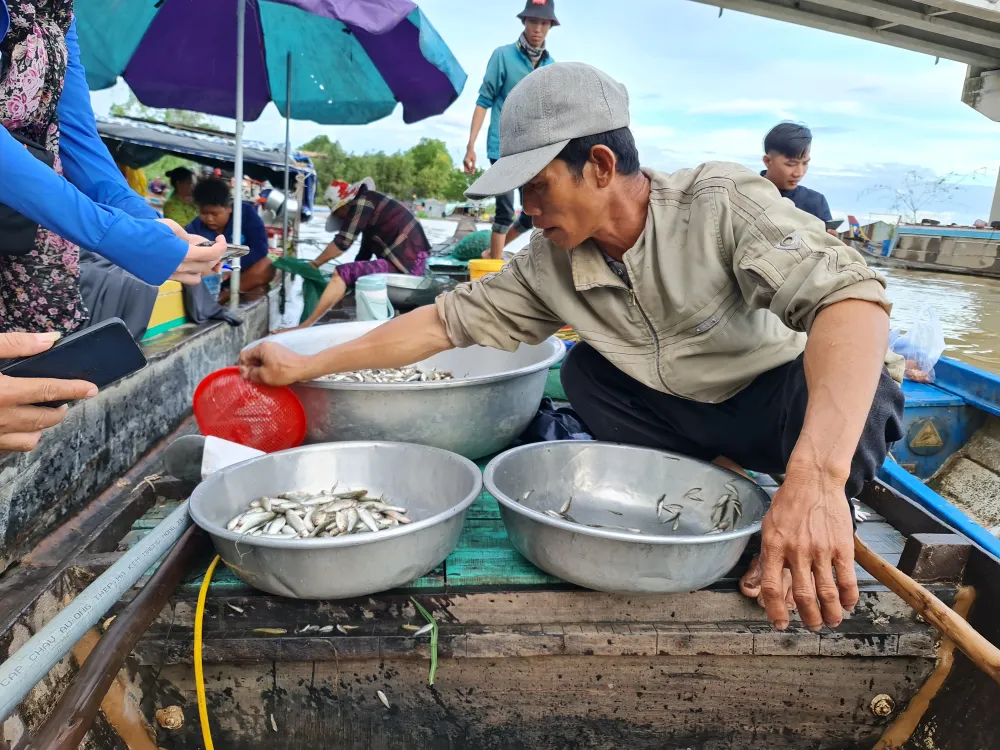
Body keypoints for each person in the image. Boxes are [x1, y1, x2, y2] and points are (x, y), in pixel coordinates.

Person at [242, 63, 906, 633]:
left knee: (866, 385)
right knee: (587, 373)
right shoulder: (547, 263)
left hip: (784, 408)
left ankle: (820, 508)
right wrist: (306, 362)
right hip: (694, 421)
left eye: (537, 187)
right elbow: (441, 325)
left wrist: (814, 481)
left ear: (599, 165)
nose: (527, 208)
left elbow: (851, 302)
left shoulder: (721, 203)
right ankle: (723, 499)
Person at [0, 0, 224, 337]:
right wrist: (117, 235)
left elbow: (77, 136)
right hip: (30, 199)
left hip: (26, 225)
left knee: (41, 355)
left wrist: (146, 222)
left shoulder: (57, 10)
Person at [463, 0, 558, 260]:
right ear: (524, 22)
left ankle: (489, 254)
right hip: (502, 146)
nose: (537, 28)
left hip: (533, 150)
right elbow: (484, 101)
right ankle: (493, 274)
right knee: (504, 211)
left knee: (531, 214)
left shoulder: (551, 66)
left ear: (550, 25)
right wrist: (471, 146)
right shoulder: (502, 56)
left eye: (543, 22)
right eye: (533, 21)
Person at [275, 178, 430, 332]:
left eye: (338, 213)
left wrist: (316, 263)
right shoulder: (372, 206)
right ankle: (322, 317)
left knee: (340, 273)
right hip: (411, 262)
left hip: (407, 265)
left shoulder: (362, 202)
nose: (342, 218)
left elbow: (342, 242)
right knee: (348, 275)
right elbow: (364, 255)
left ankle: (305, 326)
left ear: (344, 205)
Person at [186, 177, 274, 304]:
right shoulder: (194, 228)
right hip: (212, 277)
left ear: (229, 207)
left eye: (215, 214)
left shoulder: (246, 214)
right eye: (204, 214)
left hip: (244, 274)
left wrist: (233, 267)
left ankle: (224, 296)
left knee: (266, 265)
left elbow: (260, 248)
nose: (209, 219)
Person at [761, 123, 837, 235]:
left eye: (805, 163)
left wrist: (831, 242)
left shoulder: (816, 202)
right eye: (791, 164)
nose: (799, 173)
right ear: (768, 161)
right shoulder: (745, 194)